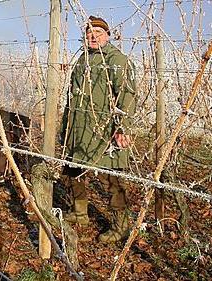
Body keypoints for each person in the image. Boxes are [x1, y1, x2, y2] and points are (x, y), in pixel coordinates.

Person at [60, 16, 136, 243]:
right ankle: (80, 213)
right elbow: (71, 97)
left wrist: (122, 128)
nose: (93, 37)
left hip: (105, 131)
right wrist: (66, 126)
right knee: (73, 170)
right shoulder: (83, 60)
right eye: (89, 33)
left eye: (98, 33)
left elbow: (127, 95)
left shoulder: (116, 60)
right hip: (79, 129)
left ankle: (120, 226)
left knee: (111, 178)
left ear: (108, 36)